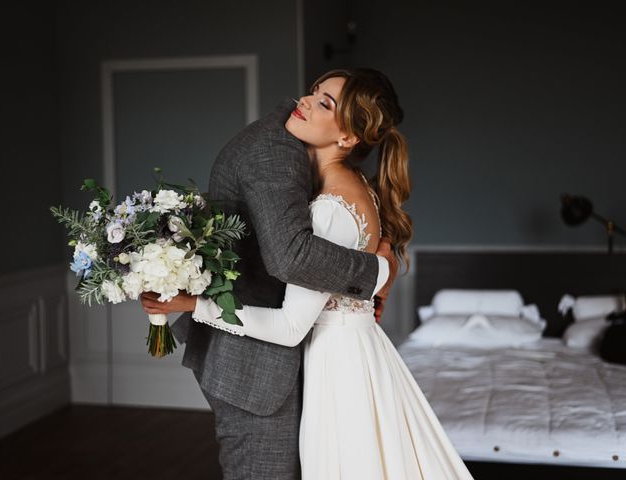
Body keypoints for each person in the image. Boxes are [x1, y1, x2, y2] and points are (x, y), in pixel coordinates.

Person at [143, 68, 473, 479]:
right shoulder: (351, 187)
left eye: (325, 104)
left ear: (349, 137)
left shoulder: (329, 207)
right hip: (346, 357)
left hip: (336, 367)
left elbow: (289, 325)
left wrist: (193, 304)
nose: (305, 102)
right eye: (314, 92)